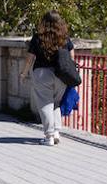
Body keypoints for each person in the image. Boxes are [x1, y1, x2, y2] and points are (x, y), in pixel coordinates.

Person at [20, 11, 73, 147]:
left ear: (44, 23)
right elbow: (71, 57)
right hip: (61, 76)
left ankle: (49, 136)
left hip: (42, 74)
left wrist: (24, 74)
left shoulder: (38, 38)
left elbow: (30, 58)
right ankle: (56, 132)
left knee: (45, 105)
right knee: (55, 103)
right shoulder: (65, 38)